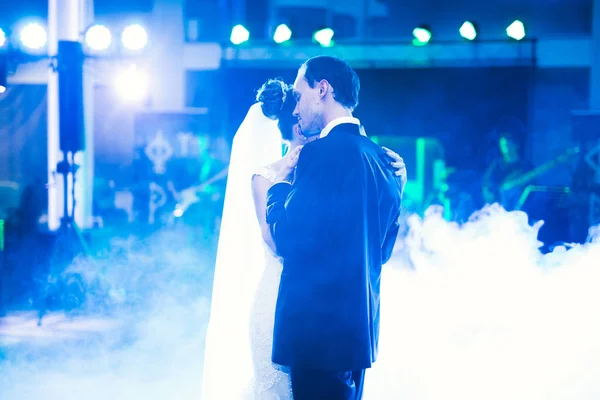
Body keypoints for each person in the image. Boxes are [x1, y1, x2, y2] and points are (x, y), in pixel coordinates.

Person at [200, 75, 406, 399]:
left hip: (323, 318)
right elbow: (275, 240)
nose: (305, 117)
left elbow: (365, 241)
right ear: (296, 127)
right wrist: (280, 184)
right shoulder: (267, 176)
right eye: (299, 114)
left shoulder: (329, 162)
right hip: (283, 308)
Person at [265, 56, 404, 399]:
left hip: (316, 337)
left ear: (322, 89)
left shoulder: (319, 155)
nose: (294, 109)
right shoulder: (385, 162)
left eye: (298, 96)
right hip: (357, 337)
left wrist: (278, 188)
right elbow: (382, 251)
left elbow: (288, 240)